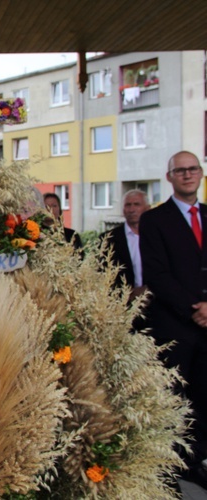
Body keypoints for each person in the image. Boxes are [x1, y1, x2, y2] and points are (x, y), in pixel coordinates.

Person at [140, 150, 207, 488]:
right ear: (169, 177)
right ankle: (169, 468)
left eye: (193, 169)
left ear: (200, 174)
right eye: (180, 170)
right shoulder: (155, 219)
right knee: (175, 399)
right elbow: (157, 274)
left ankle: (197, 462)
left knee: (205, 399)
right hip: (174, 325)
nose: (187, 174)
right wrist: (196, 307)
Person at [100, 189, 150, 299]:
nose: (132, 209)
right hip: (122, 305)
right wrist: (129, 294)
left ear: (147, 208)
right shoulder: (108, 239)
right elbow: (102, 274)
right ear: (123, 210)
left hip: (157, 305)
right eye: (128, 205)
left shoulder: (157, 236)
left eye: (137, 204)